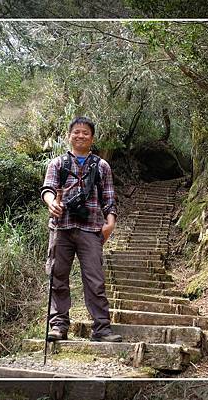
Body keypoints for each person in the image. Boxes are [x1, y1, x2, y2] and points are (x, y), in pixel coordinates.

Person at [40, 116, 122, 342]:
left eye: (85, 132)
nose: (80, 135)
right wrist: (51, 203)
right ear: (69, 136)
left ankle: (102, 329)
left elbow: (108, 197)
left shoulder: (101, 166)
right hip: (62, 227)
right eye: (76, 132)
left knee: (95, 279)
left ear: (92, 138)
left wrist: (111, 221)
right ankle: (58, 327)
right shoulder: (57, 164)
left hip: (91, 228)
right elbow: (47, 189)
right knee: (58, 276)